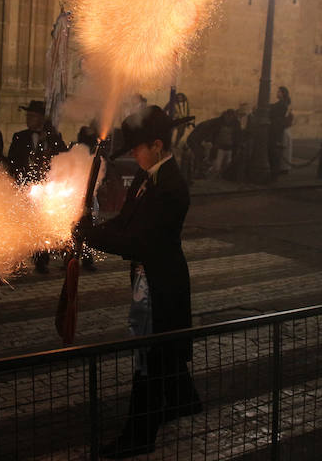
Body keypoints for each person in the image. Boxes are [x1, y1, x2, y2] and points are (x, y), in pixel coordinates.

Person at [76, 105, 201, 458]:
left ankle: (139, 435)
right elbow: (126, 222)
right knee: (166, 350)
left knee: (148, 357)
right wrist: (92, 230)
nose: (133, 154)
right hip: (151, 275)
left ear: (157, 145)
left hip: (163, 282)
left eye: (138, 147)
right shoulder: (147, 177)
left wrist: (92, 238)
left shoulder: (172, 186)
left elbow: (140, 241)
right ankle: (182, 401)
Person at [8, 100, 66, 272]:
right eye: (28, 116)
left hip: (47, 188)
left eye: (32, 116)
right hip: (26, 186)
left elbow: (63, 156)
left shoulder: (53, 137)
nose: (28, 119)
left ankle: (42, 260)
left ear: (41, 118)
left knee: (43, 225)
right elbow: (13, 161)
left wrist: (50, 140)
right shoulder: (20, 136)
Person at [270, 86, 293, 175]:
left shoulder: (282, 105)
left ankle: (282, 169)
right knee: (284, 151)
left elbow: (275, 112)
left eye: (279, 92)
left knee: (282, 150)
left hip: (281, 130)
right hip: (282, 129)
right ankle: (283, 168)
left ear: (283, 93)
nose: (277, 93)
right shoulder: (282, 104)